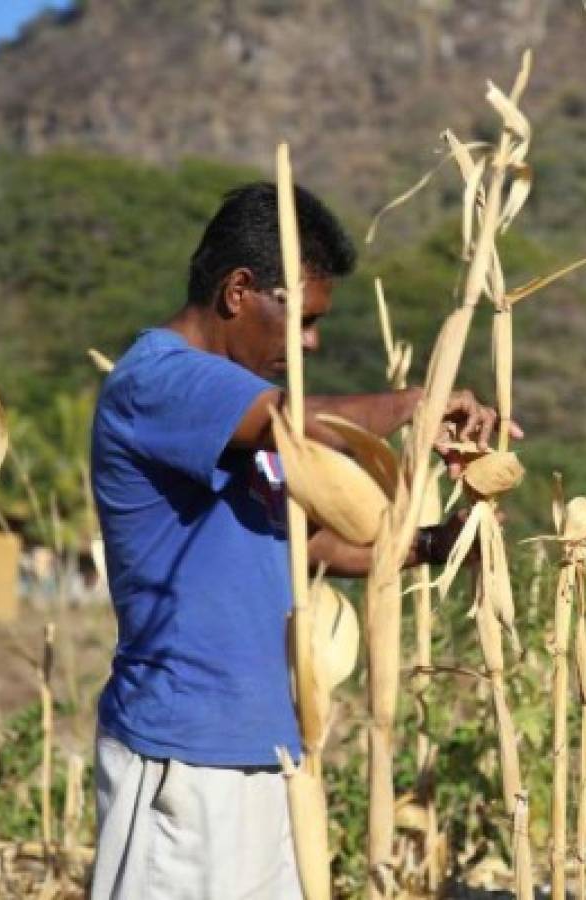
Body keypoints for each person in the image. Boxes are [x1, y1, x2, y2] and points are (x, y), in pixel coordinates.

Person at [88, 182, 512, 899]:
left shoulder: (237, 415)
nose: (310, 343)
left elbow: (311, 547)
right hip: (185, 760)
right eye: (303, 320)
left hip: (268, 751)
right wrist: (417, 404)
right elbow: (298, 421)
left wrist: (443, 541)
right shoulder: (158, 380)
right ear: (239, 290)